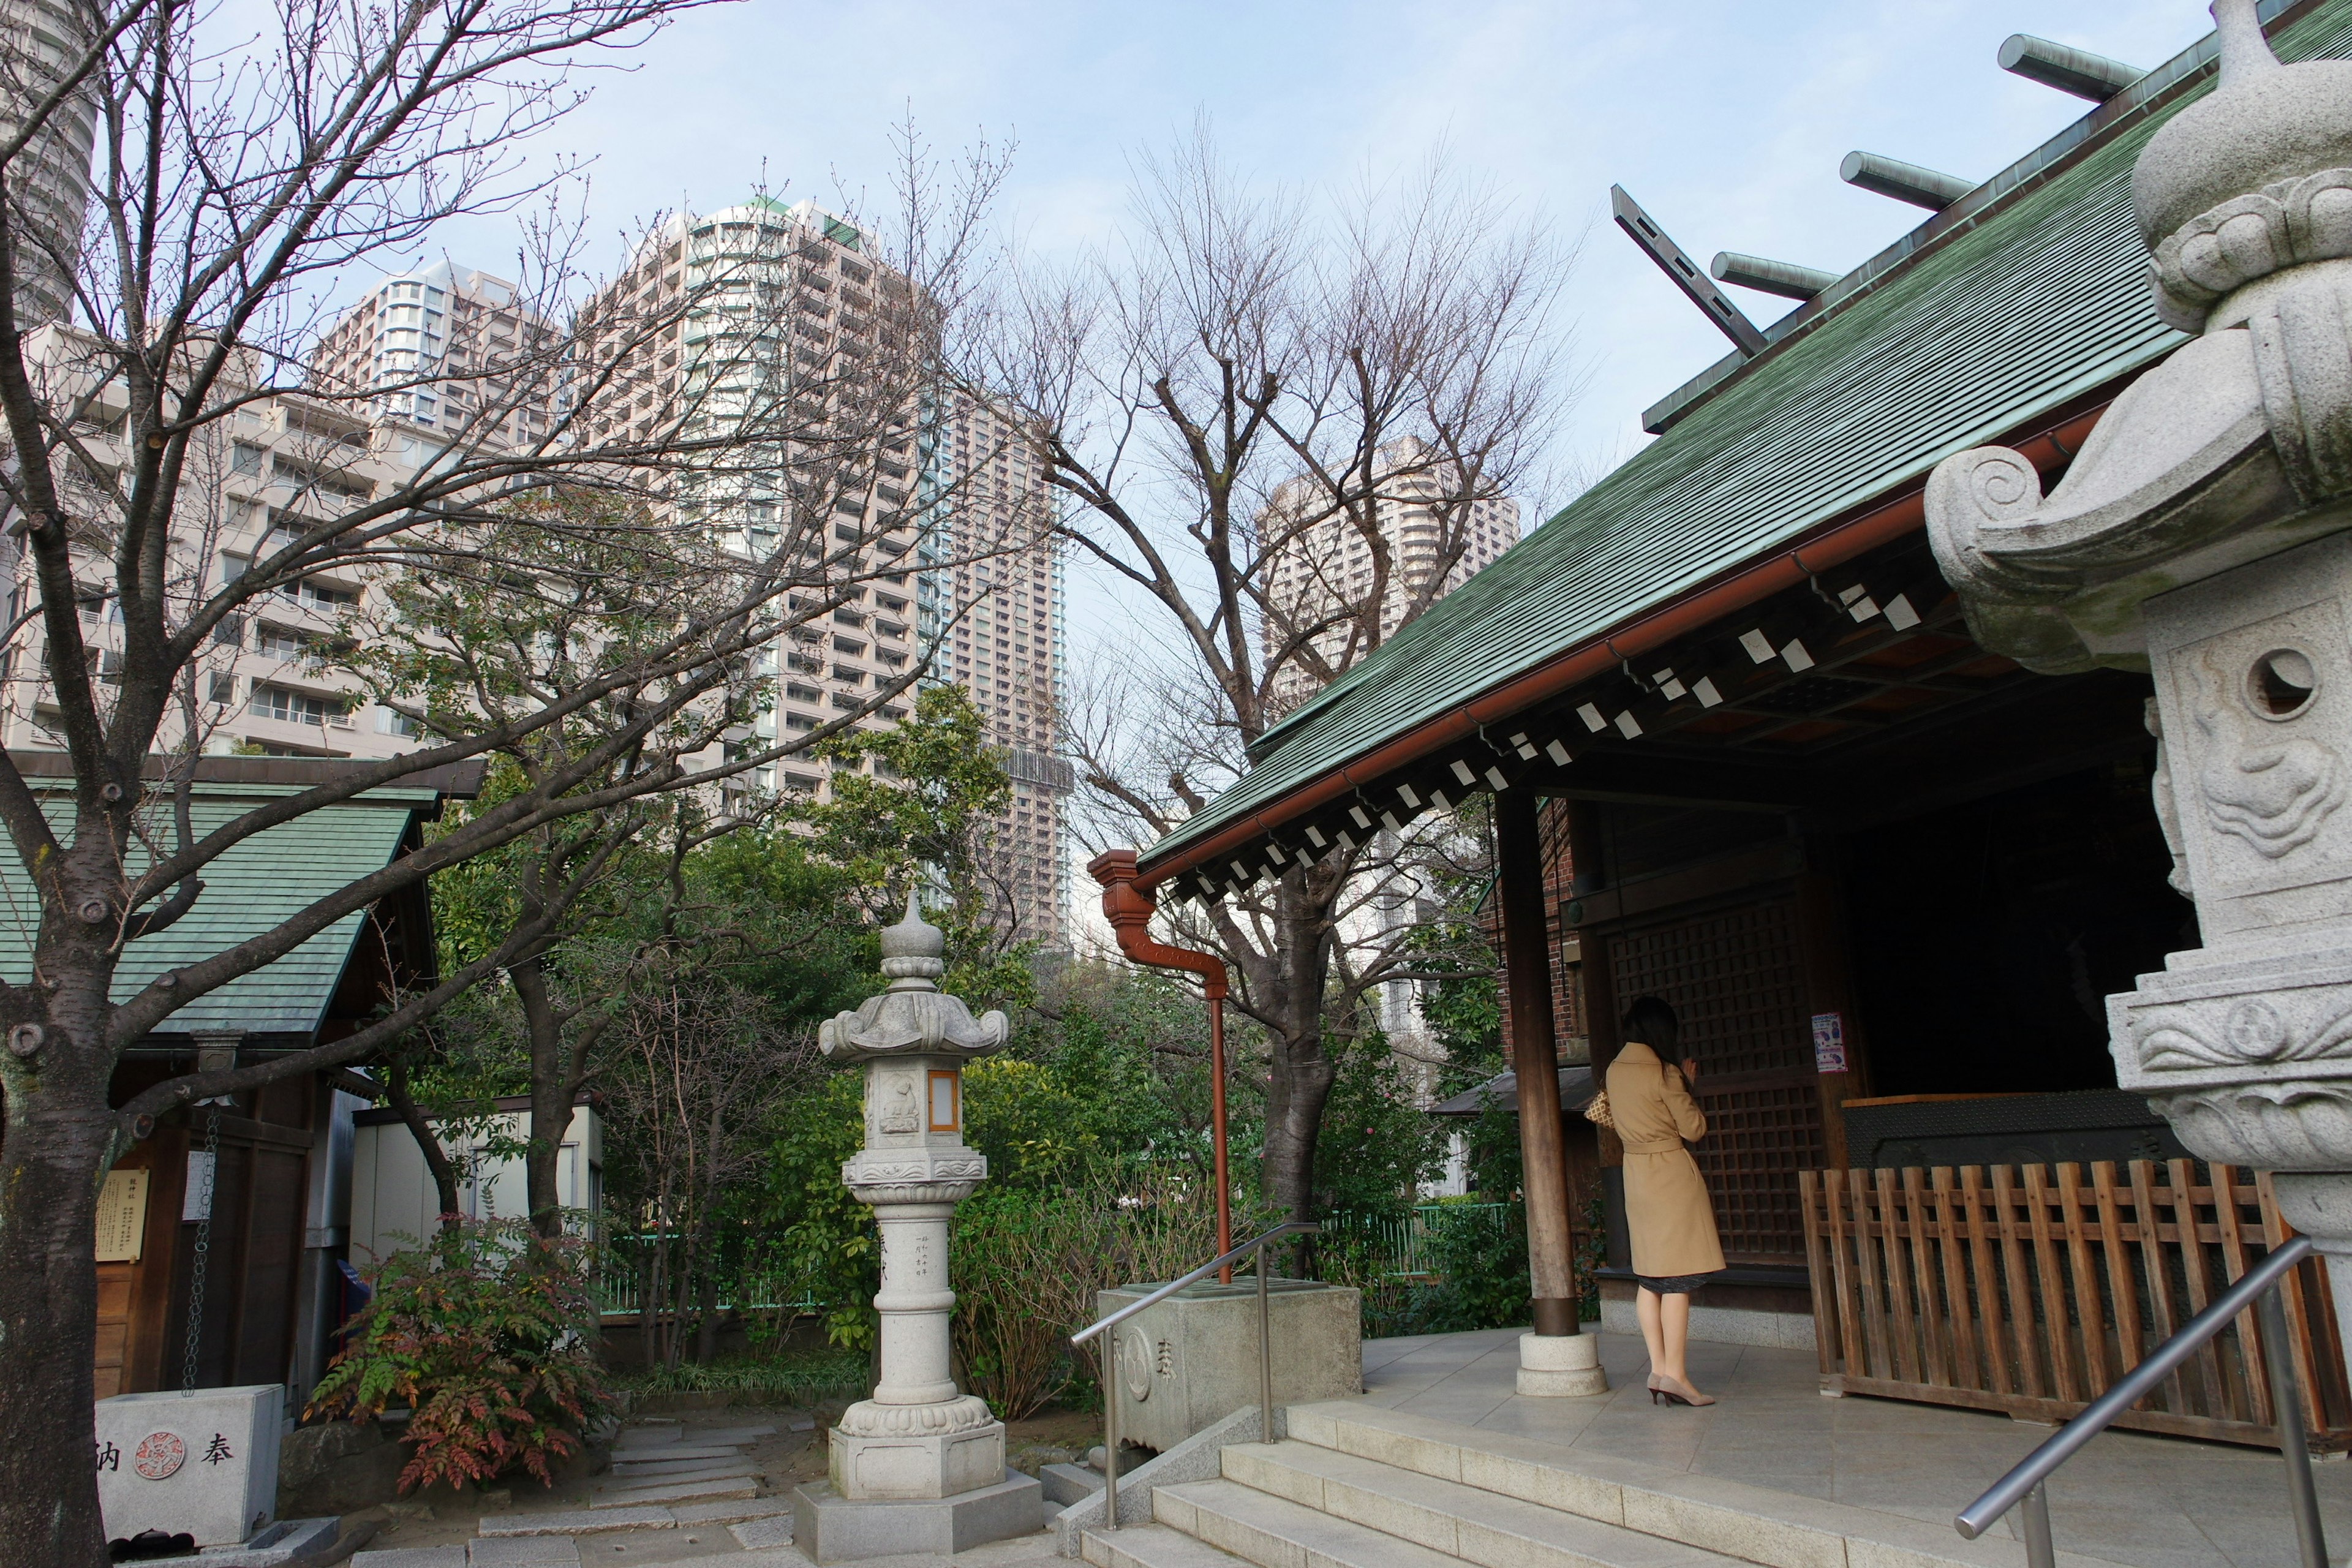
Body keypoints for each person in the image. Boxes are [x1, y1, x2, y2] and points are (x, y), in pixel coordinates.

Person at [1607, 995, 1725, 1407]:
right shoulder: (1665, 1072)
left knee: (1649, 1277)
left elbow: (1610, 1116)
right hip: (1670, 1174)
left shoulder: (1614, 1069)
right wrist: (1688, 1086)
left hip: (1635, 1174)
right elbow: (1693, 1129)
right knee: (1678, 1278)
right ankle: (1676, 1374)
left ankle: (1658, 1368)